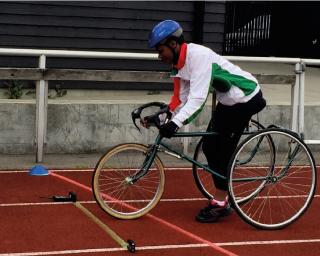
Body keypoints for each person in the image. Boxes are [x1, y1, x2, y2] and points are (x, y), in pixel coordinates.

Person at [146, 20, 266, 223]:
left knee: (219, 150)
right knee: (210, 146)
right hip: (228, 102)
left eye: (160, 50)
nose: (159, 56)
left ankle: (221, 203)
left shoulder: (199, 56)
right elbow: (179, 99)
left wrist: (175, 124)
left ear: (173, 44)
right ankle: (222, 192)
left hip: (245, 98)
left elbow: (197, 100)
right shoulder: (178, 63)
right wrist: (160, 116)